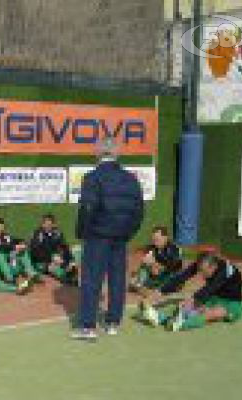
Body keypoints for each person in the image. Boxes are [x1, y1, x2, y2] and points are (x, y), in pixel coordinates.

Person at [73, 136, 144, 340]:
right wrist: (128, 232)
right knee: (117, 280)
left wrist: (81, 232)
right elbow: (139, 211)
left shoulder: (92, 177)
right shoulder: (131, 178)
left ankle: (88, 326)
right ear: (116, 153)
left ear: (98, 153)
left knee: (91, 280)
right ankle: (113, 322)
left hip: (97, 236)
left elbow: (87, 209)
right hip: (120, 237)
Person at [140, 252, 242, 332]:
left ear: (213, 267)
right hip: (213, 298)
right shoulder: (203, 263)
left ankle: (178, 325)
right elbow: (181, 277)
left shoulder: (225, 271)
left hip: (232, 303)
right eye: (199, 270)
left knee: (210, 314)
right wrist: (158, 293)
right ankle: (160, 318)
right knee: (184, 307)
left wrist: (191, 302)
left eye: (204, 271)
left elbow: (209, 289)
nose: (201, 274)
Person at [0, 217, 39, 295]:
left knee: (21, 251)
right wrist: (13, 247)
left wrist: (22, 244)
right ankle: (11, 279)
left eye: (1, 229)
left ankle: (31, 273)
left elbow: (17, 240)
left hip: (5, 265)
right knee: (0, 255)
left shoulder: (6, 237)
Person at [129, 226, 183, 295]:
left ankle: (145, 288)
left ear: (165, 238)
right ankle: (140, 285)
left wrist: (154, 264)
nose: (155, 242)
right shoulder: (153, 248)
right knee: (144, 266)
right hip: (159, 276)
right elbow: (141, 251)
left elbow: (172, 268)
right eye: (154, 240)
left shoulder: (174, 250)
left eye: (157, 240)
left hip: (171, 276)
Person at [29, 214, 78, 285]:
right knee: (55, 269)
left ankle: (69, 272)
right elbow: (35, 252)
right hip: (40, 261)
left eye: (50, 224)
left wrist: (70, 260)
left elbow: (65, 247)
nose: (48, 226)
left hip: (54, 258)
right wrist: (51, 259)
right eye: (46, 224)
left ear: (53, 224)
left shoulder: (57, 233)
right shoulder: (37, 234)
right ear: (42, 225)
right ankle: (64, 277)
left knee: (71, 265)